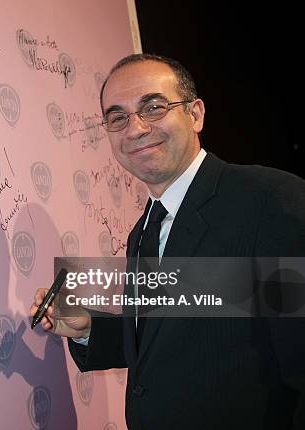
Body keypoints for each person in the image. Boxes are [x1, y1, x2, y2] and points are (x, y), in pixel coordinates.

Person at [29, 53, 305, 429]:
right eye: (117, 117)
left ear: (195, 114)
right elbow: (174, 333)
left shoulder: (270, 199)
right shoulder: (143, 231)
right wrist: (89, 328)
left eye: (154, 107)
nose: (135, 128)